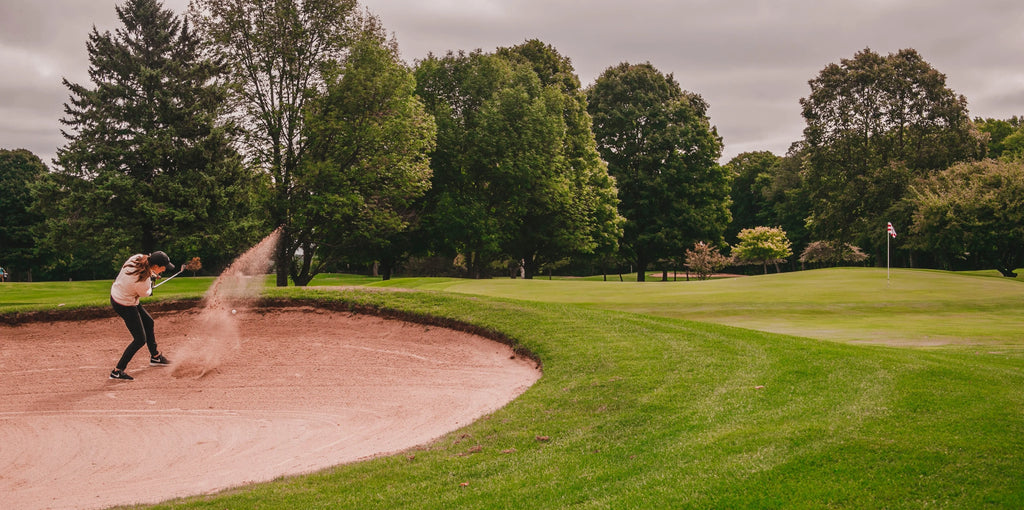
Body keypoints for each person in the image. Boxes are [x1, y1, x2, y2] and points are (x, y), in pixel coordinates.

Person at [109, 251, 174, 380]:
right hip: (124, 303)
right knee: (140, 339)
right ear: (155, 266)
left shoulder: (137, 257)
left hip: (121, 293)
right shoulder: (143, 282)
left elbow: (144, 276)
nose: (165, 269)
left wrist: (151, 276)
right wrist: (151, 280)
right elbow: (146, 292)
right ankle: (117, 371)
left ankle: (155, 357)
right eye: (163, 267)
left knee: (149, 322)